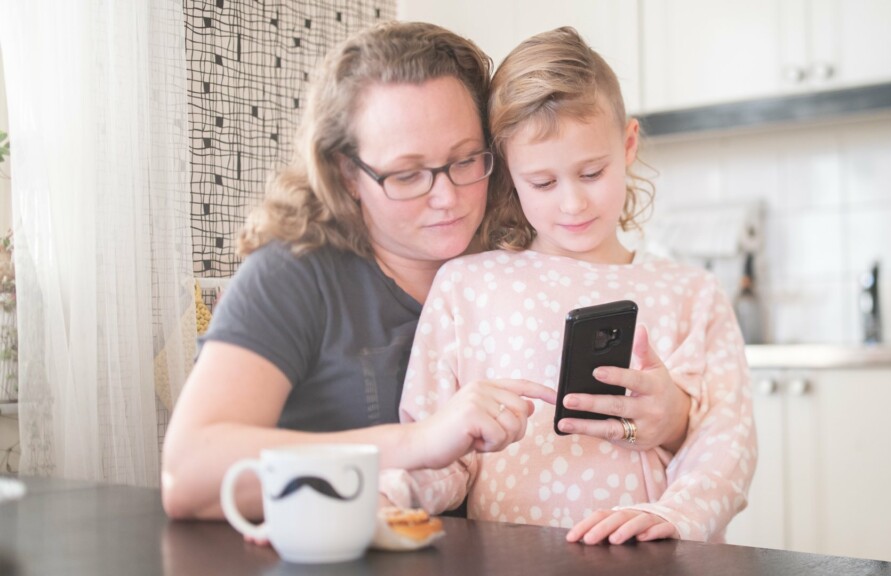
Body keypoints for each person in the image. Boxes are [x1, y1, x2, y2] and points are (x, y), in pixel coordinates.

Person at [161, 21, 557, 521]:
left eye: (465, 160)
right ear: (347, 173)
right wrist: (418, 440)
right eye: (408, 174)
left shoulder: (525, 260)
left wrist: (672, 423)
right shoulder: (294, 276)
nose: (447, 197)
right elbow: (188, 476)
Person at [379, 27, 757, 545]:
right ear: (509, 174)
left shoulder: (693, 294)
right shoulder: (469, 285)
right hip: (513, 561)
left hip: (657, 557)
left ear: (627, 145)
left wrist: (678, 515)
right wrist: (386, 494)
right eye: (544, 183)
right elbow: (439, 453)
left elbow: (728, 440)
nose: (573, 203)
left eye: (592, 172)